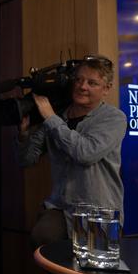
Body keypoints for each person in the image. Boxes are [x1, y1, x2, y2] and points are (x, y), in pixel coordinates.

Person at [16, 55, 127, 249]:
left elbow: (85, 153)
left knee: (92, 272)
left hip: (98, 209)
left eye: (92, 83)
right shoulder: (58, 117)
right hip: (62, 207)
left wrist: (50, 118)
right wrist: (24, 135)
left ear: (106, 89)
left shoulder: (114, 118)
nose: (82, 86)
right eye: (79, 80)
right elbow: (26, 160)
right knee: (42, 239)